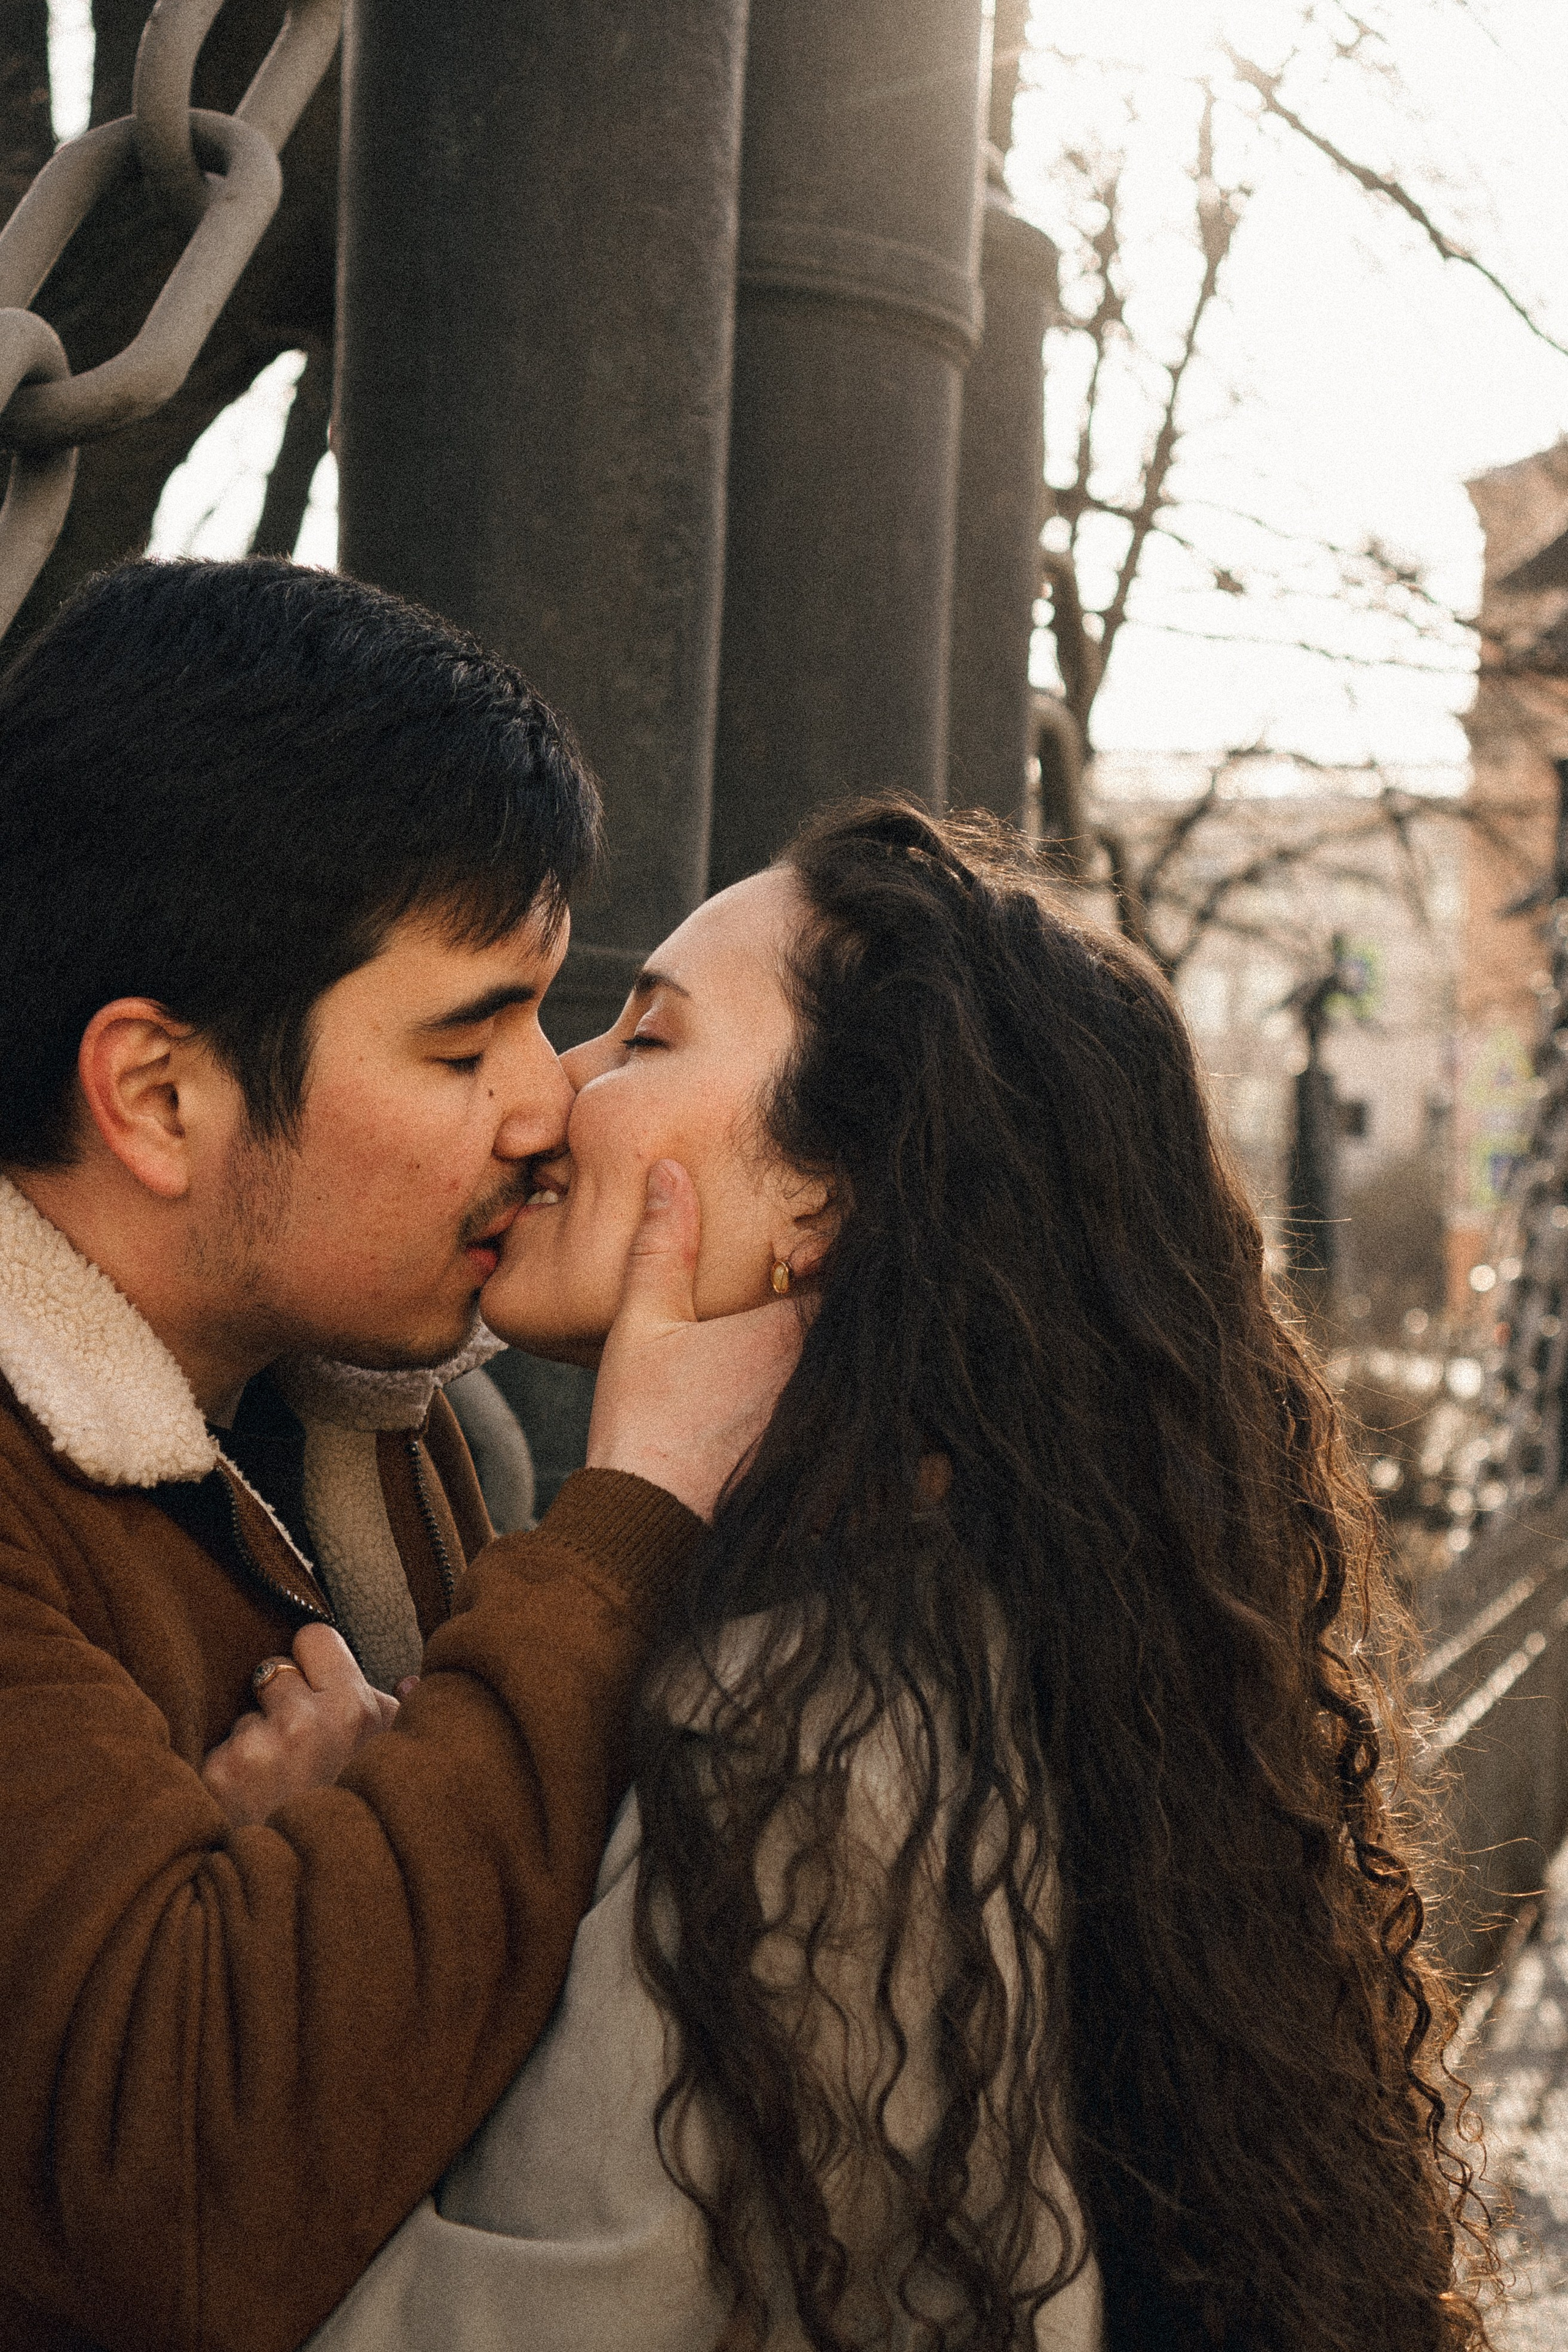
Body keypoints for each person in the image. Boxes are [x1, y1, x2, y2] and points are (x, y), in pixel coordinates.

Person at [241, 798, 1493, 2352]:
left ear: (827, 1195)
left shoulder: (809, 1736)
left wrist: (319, 1923)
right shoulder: (972, 1623)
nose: (554, 1087)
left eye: (644, 1037)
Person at [0, 557, 797, 2352]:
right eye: (464, 1044)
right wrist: (631, 1523)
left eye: (543, 1013)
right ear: (161, 1096)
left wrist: (321, 1872)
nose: (550, 1102)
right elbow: (180, 2200)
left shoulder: (366, 1419)